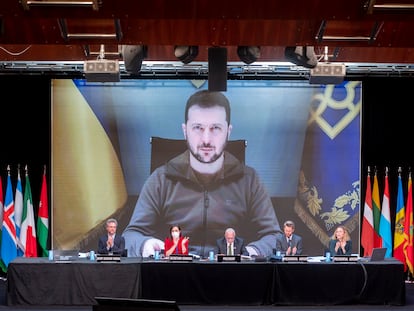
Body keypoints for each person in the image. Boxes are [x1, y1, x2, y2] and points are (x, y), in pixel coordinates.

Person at [122, 89, 281, 258]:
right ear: (185, 131)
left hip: (232, 275)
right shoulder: (160, 180)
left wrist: (250, 252)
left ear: (228, 131)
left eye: (215, 128)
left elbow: (275, 237)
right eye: (198, 128)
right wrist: (145, 244)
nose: (206, 139)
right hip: (175, 275)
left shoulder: (250, 180)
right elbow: (131, 236)